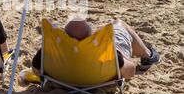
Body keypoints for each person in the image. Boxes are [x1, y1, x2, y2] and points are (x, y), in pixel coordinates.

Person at [32, 18, 160, 80]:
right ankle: (148, 56)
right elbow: (129, 72)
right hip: (100, 75)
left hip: (63, 78)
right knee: (118, 24)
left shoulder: (51, 54)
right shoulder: (108, 54)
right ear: (90, 39)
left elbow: (36, 70)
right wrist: (122, 55)